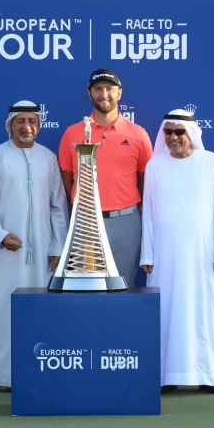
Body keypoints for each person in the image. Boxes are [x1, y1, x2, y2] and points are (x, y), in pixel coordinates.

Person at [140, 109, 214, 394]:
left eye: (179, 132)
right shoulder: (155, 164)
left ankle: (210, 375)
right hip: (165, 257)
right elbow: (149, 213)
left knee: (205, 312)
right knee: (166, 312)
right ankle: (167, 376)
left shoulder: (211, 162)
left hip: (203, 255)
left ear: (191, 133)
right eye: (168, 132)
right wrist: (148, 254)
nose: (173, 137)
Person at [0, 100, 68, 391]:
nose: (27, 126)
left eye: (32, 121)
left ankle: (38, 370)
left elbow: (57, 206)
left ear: (39, 125)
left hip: (43, 253)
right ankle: (4, 376)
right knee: (3, 309)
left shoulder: (48, 157)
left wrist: (56, 246)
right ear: (10, 125)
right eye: (21, 121)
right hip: (5, 251)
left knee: (41, 310)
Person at [58, 68, 153, 287]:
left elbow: (146, 179)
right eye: (98, 89)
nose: (104, 94)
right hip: (84, 223)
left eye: (109, 89)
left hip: (125, 222)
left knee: (121, 286)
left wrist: (124, 205)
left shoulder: (138, 134)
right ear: (89, 93)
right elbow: (67, 178)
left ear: (119, 93)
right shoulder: (73, 133)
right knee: (85, 288)